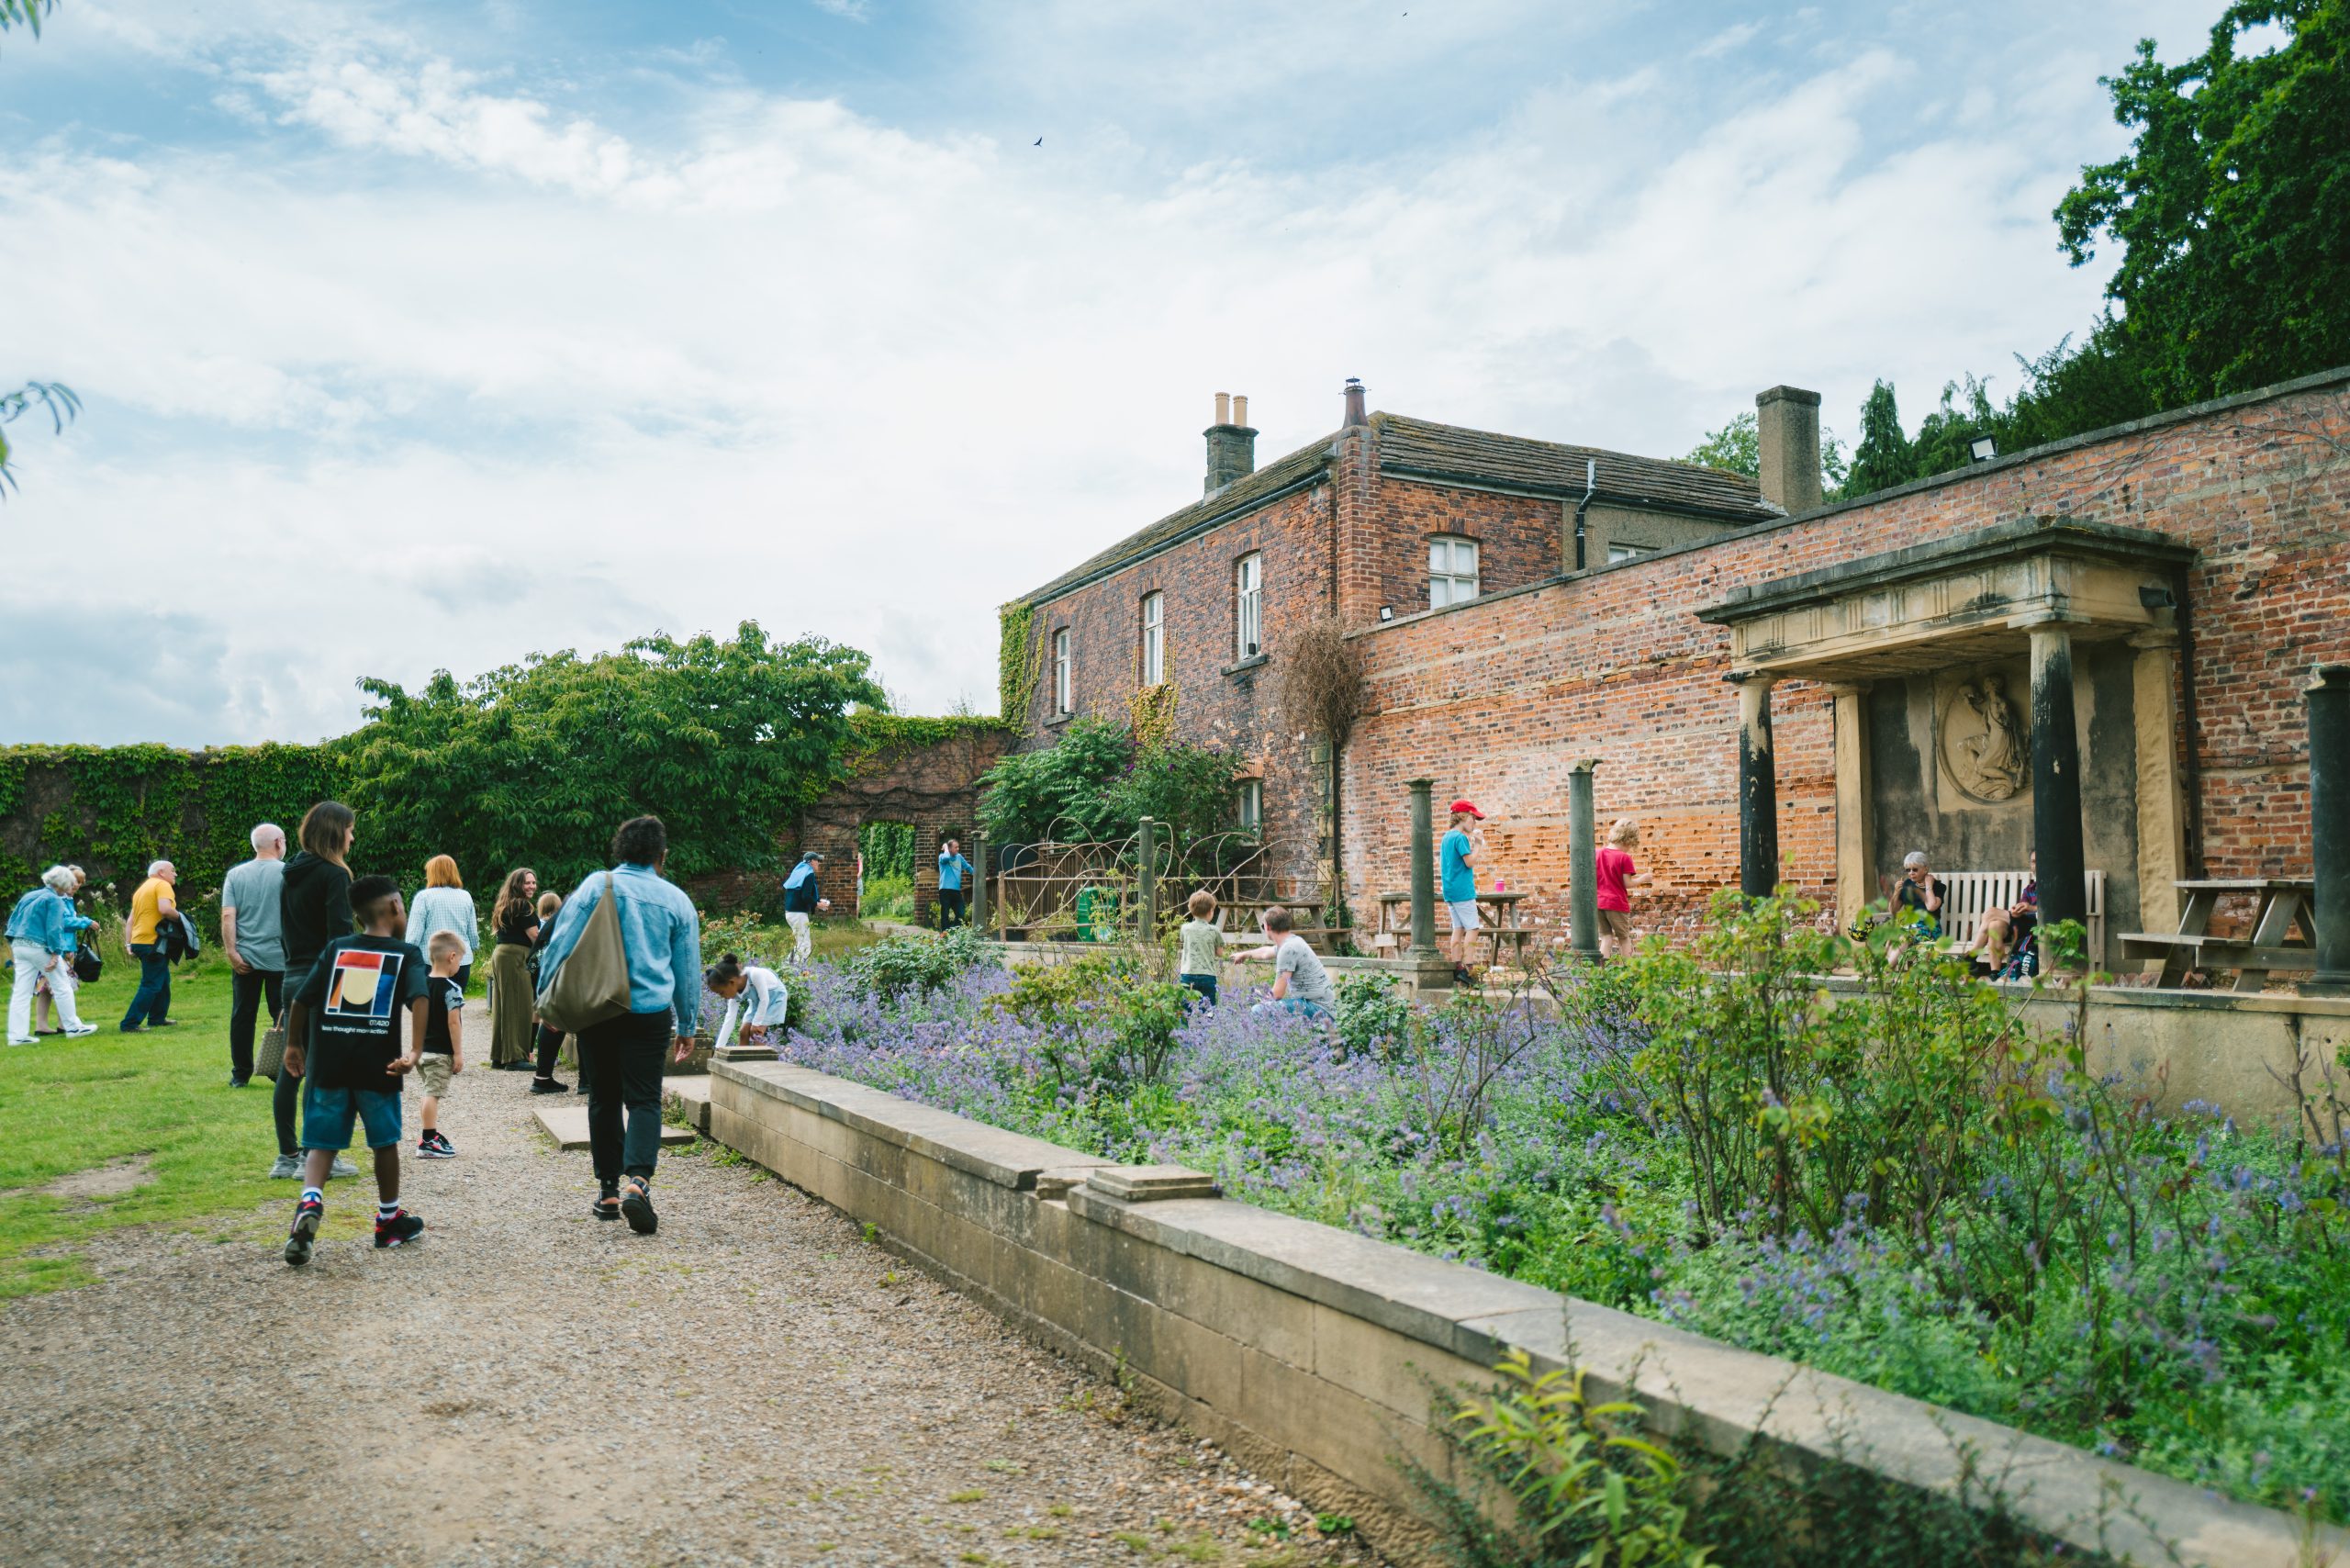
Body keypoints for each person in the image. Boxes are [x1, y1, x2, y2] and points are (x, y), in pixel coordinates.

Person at [536, 814, 701, 1235]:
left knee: (604, 1096)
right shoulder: (676, 900)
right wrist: (688, 1024)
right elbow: (686, 970)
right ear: (661, 856)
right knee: (645, 1100)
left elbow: (560, 944)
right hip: (649, 1014)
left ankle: (608, 1191)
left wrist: (547, 1001)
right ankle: (638, 1182)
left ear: (620, 851)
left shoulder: (596, 885)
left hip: (598, 1009)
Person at [280, 875, 429, 1265]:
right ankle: (388, 1219)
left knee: (321, 1144)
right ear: (396, 906)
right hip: (379, 1068)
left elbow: (302, 998)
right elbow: (420, 997)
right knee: (384, 1144)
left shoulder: (336, 948)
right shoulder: (405, 953)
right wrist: (413, 1051)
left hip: (329, 1064)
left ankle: (309, 1202)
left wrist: (294, 1044)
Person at [274, 801, 361, 1182]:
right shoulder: (333, 875)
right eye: (349, 829)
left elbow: (286, 930)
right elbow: (340, 938)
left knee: (291, 1069)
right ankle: (316, 1154)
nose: (353, 837)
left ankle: (287, 1156)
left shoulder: (289, 873)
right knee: (322, 1070)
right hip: (324, 978)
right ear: (334, 832)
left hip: (293, 975)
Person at [219, 823, 289, 1088]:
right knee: (282, 1014)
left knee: (242, 1015)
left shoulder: (236, 875)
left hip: (245, 957)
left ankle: (241, 1073)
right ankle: (279, 1069)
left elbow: (228, 915)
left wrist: (231, 952)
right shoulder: (288, 873)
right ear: (278, 843)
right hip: (280, 957)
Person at [9, 867, 97, 1044]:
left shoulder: (29, 896)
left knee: (21, 991)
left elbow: (13, 922)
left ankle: (17, 1037)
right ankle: (73, 1027)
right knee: (62, 984)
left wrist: (14, 943)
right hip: (38, 946)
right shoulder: (55, 900)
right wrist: (56, 954)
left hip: (19, 944)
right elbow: (54, 929)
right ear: (64, 883)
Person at [1232, 906, 1337, 1023]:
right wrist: (1245, 954)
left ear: (1268, 927)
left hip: (1318, 1010)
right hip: (1321, 1008)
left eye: (1263, 926)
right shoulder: (1293, 941)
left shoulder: (1288, 949)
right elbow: (1266, 952)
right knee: (1266, 1007)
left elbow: (1277, 993)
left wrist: (1260, 999)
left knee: (1258, 1010)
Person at [414, 930, 465, 1159]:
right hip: (440, 1053)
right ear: (451, 957)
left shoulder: (421, 985)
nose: (459, 965)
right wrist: (458, 1054)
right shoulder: (451, 989)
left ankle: (428, 1135)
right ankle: (428, 1139)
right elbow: (453, 1023)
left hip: (423, 1052)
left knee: (428, 1093)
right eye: (460, 960)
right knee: (432, 1095)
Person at [486, 867, 541, 1071]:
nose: (532, 886)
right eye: (527, 882)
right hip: (516, 956)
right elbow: (535, 936)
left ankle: (500, 1056)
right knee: (519, 1004)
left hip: (501, 954)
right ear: (518, 884)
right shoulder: (523, 906)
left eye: (533, 882)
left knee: (503, 1006)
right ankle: (516, 1057)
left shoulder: (507, 904)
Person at [118, 859, 181, 1033]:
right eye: (173, 870)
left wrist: (128, 942)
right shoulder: (162, 885)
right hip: (153, 942)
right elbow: (165, 909)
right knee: (151, 983)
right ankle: (129, 1024)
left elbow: (131, 920)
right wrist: (183, 920)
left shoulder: (142, 889)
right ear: (161, 872)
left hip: (141, 941)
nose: (175, 874)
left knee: (163, 980)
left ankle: (157, 1018)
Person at [31, 866, 91, 1036]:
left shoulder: (67, 900)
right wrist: (86, 922)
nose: (76, 885)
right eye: (74, 881)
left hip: (64, 948)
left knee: (48, 988)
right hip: (57, 950)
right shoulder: (59, 900)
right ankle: (63, 1023)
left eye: (79, 882)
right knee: (61, 986)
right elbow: (62, 923)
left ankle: (46, 1024)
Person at [405, 856, 478, 991]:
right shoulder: (466, 896)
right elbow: (473, 935)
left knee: (431, 1007)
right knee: (454, 1005)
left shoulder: (424, 897)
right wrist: (472, 949)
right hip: (461, 962)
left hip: (431, 963)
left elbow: (413, 937)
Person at [528, 889, 574, 1095]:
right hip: (556, 972)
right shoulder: (573, 921)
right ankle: (587, 1081)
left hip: (543, 970)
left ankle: (542, 1076)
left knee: (555, 1019)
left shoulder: (558, 920)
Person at [705, 953, 790, 1057]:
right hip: (757, 1003)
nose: (722, 997)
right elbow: (729, 1020)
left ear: (731, 982)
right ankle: (742, 1061)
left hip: (775, 999)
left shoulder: (754, 974)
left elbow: (765, 999)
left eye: (722, 992)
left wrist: (756, 1023)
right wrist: (718, 1048)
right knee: (743, 1031)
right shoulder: (734, 994)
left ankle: (759, 1064)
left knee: (756, 1033)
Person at [1439, 800, 1487, 983]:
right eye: (1473, 818)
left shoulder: (1446, 837)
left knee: (1458, 928)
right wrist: (1478, 844)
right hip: (1462, 891)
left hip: (1450, 890)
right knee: (1473, 928)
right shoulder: (1460, 838)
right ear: (1463, 816)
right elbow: (1469, 862)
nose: (1474, 822)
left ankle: (1457, 966)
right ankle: (1469, 970)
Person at [1594, 817, 1642, 960]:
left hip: (1598, 903)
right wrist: (1644, 879)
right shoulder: (1624, 857)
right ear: (1628, 840)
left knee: (1606, 937)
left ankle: (1602, 974)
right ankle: (1629, 973)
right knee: (1624, 938)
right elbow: (1627, 883)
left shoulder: (1596, 853)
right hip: (1616, 904)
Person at [780, 851, 831, 965]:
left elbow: (800, 894)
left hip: (790, 913)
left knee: (800, 943)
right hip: (798, 914)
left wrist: (817, 901)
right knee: (805, 945)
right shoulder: (809, 873)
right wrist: (818, 904)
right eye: (817, 861)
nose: (819, 863)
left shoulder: (798, 871)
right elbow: (805, 895)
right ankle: (795, 970)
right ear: (812, 861)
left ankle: (786, 965)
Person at [1177, 890, 1221, 1005]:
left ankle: (1185, 1024)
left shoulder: (1185, 928)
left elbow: (1183, 941)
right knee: (1208, 1009)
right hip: (1208, 976)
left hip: (1187, 973)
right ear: (1211, 911)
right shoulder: (1215, 930)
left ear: (1191, 910)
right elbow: (1220, 952)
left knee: (1186, 1007)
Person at [1893, 850, 1947, 937]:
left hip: (1929, 928)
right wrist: (1896, 892)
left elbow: (1931, 907)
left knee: (1904, 937)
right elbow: (1893, 910)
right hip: (1909, 925)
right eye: (1908, 870)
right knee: (1890, 937)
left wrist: (1929, 885)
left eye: (1915, 869)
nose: (1911, 873)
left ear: (1925, 869)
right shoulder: (1907, 884)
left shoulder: (1938, 886)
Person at [936, 838, 975, 928]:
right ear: (949, 849)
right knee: (945, 914)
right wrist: (945, 847)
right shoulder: (942, 857)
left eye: (958, 847)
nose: (958, 849)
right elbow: (946, 858)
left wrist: (978, 875)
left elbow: (968, 867)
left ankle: (953, 931)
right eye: (955, 847)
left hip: (956, 891)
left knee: (961, 913)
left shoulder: (959, 857)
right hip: (945, 890)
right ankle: (945, 936)